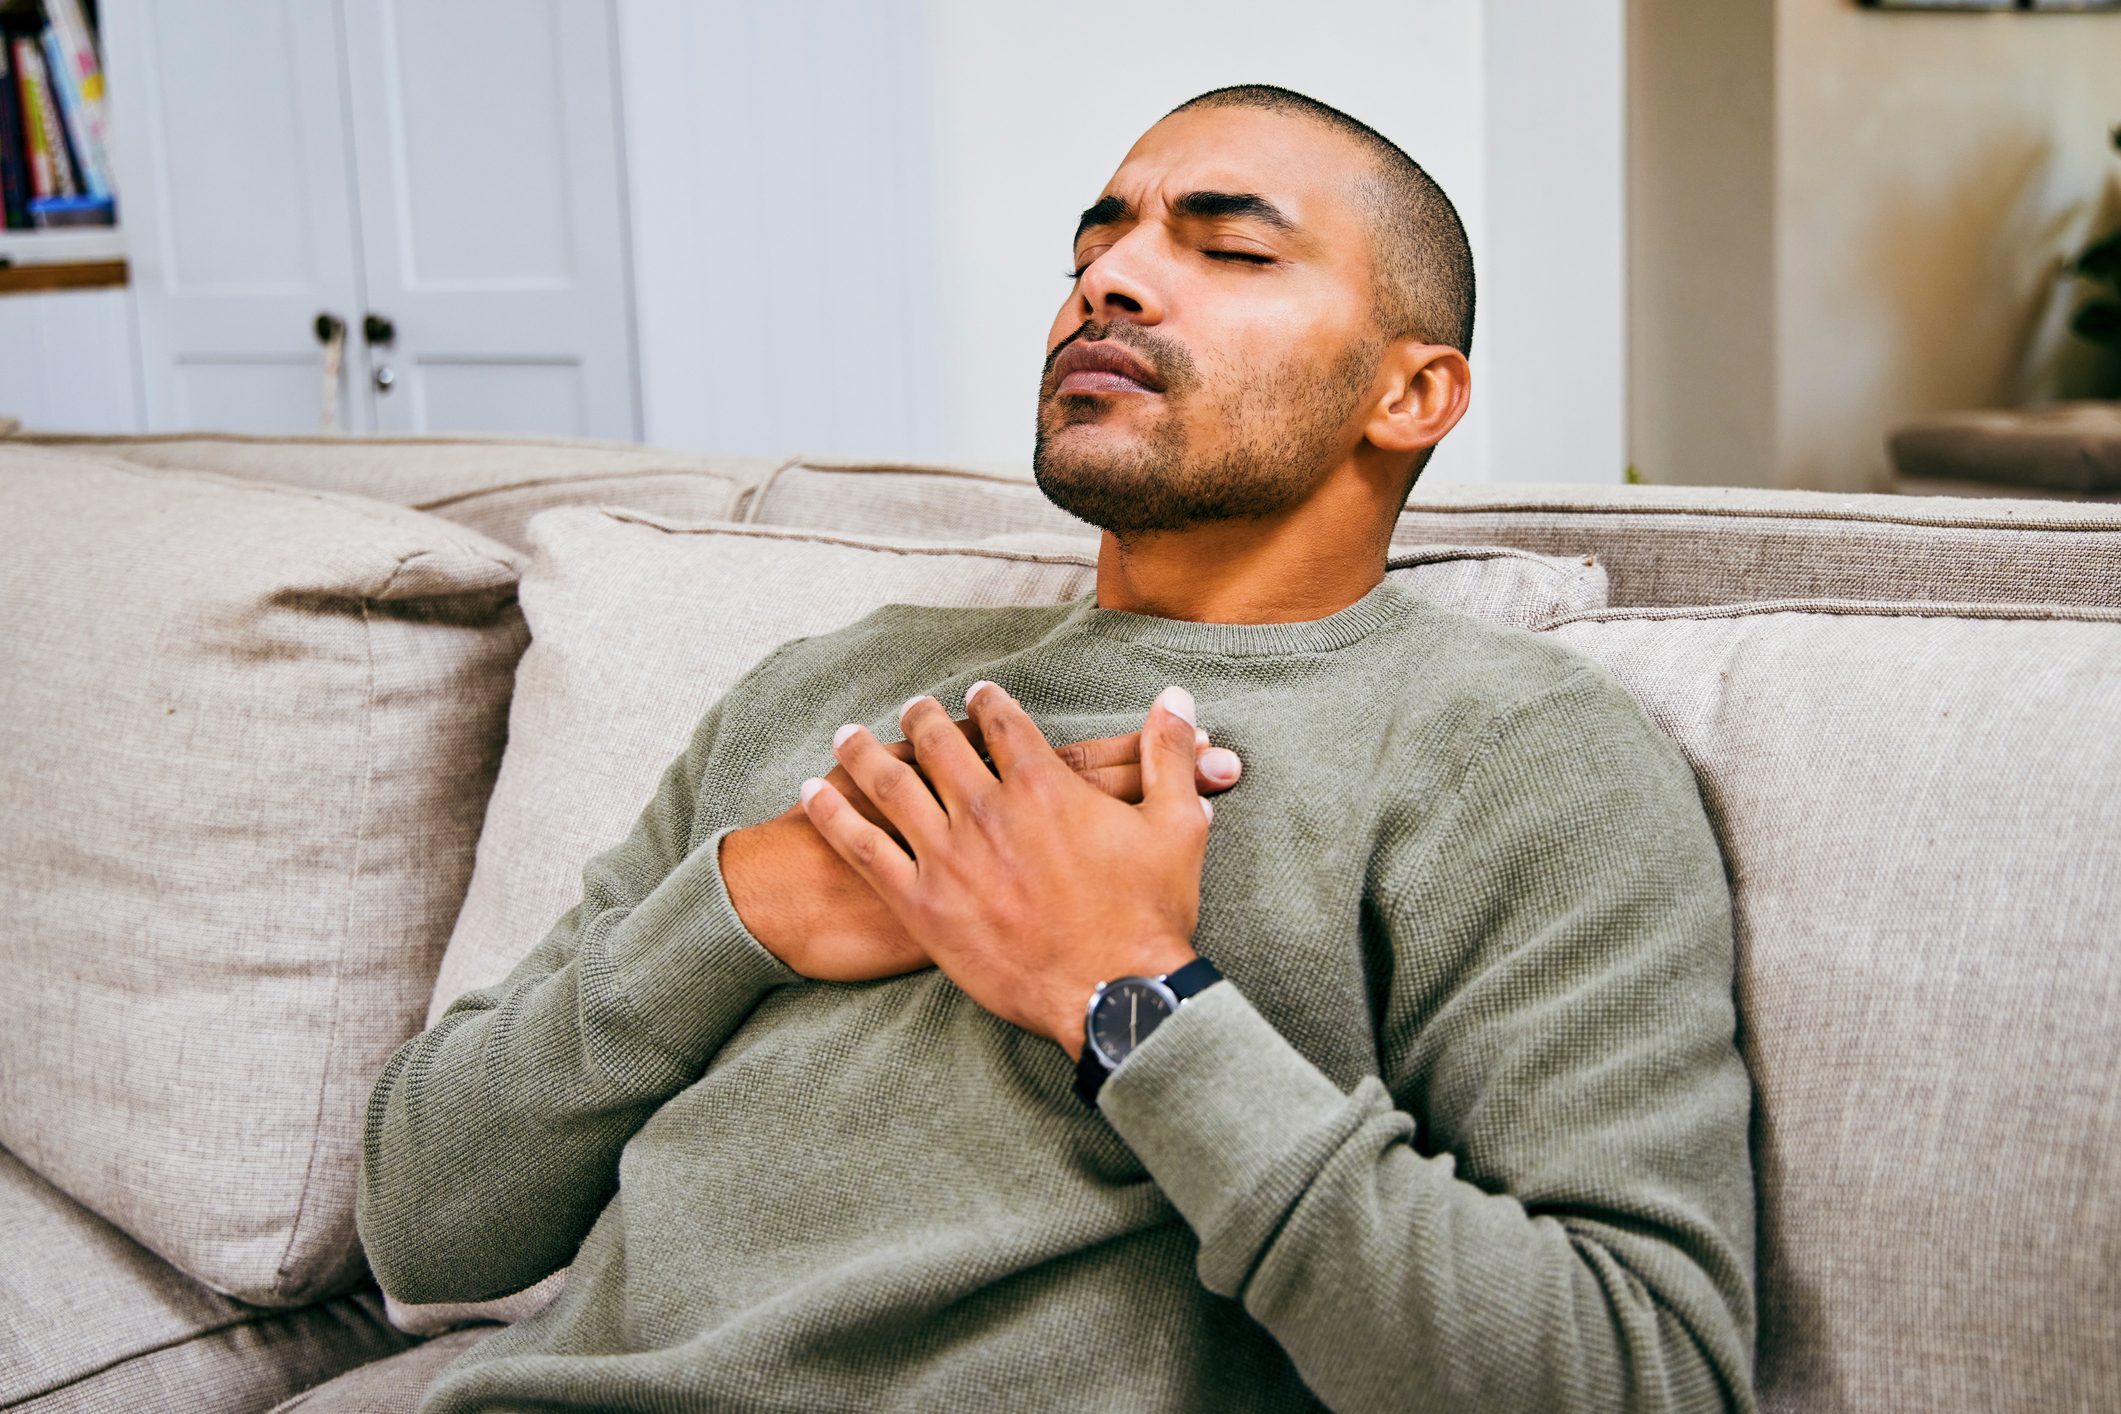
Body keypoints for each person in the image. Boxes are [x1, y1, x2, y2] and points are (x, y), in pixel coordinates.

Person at [358, 84, 1757, 1413]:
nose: (1112, 281)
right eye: (1096, 243)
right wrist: (743, 910)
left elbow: (1634, 1370)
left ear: (1410, 396)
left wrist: (1125, 992)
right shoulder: (831, 689)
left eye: (1226, 248)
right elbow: (423, 1223)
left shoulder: (1512, 752)